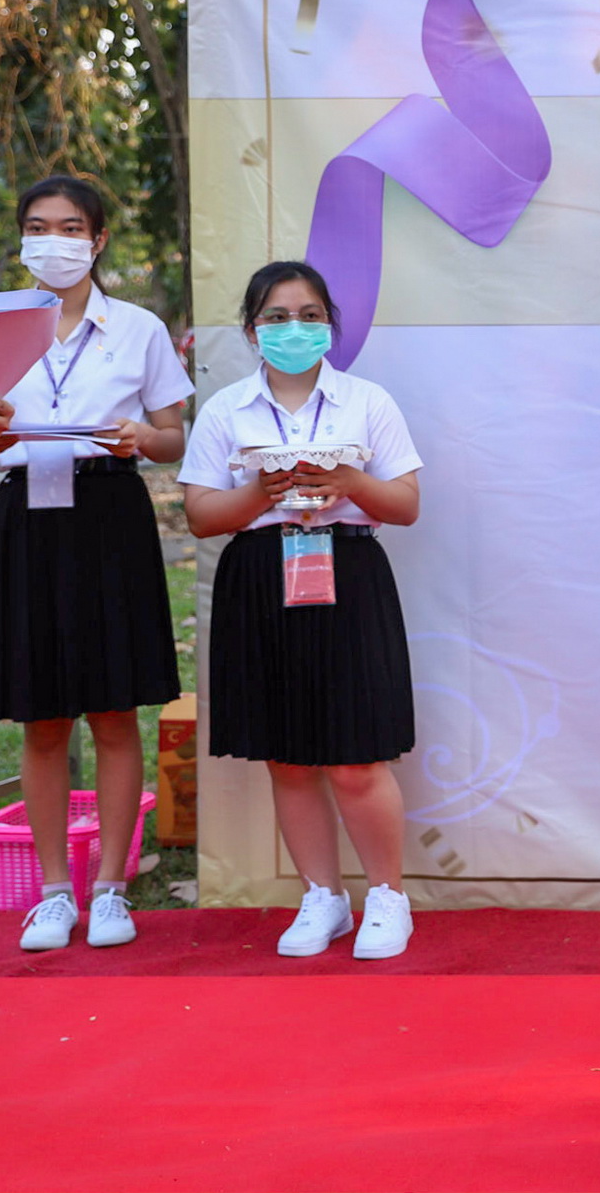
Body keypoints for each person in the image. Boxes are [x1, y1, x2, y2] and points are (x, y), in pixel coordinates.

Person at [0, 175, 193, 952]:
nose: (51, 240)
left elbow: (173, 437)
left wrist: (141, 439)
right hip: (23, 516)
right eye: (37, 225)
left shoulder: (139, 328)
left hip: (109, 512)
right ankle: (54, 892)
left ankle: (112, 889)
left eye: (69, 227)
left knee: (115, 708)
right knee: (42, 715)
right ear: (21, 236)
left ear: (97, 240)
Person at [180, 262, 423, 961]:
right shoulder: (226, 409)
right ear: (252, 329)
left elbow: (406, 504)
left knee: (355, 755)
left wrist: (349, 480)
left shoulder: (366, 401)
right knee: (287, 758)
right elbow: (201, 515)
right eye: (277, 316)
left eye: (310, 314)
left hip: (349, 571)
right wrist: (260, 492)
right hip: (260, 575)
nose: (294, 328)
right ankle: (324, 896)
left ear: (330, 325)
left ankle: (387, 896)